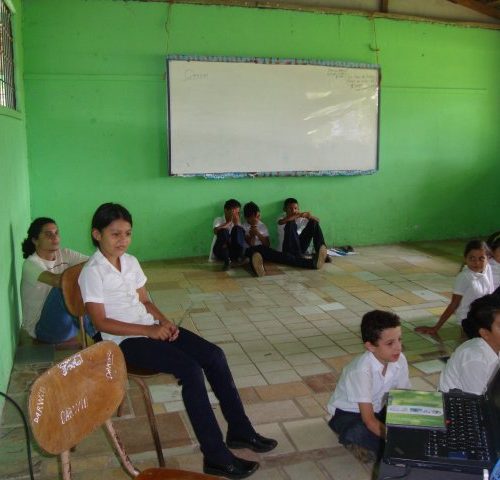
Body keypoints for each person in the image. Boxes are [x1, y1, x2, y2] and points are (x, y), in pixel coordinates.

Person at [79, 203, 277, 479]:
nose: (122, 240)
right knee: (190, 370)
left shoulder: (130, 261)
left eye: (127, 233)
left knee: (214, 355)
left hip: (149, 328)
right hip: (121, 343)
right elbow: (100, 323)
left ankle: (240, 430)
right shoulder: (92, 271)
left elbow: (145, 301)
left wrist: (164, 322)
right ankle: (215, 457)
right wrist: (148, 331)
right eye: (115, 234)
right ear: (96, 234)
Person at [327, 310, 411, 462]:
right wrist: (397, 439)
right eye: (390, 343)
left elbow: (403, 397)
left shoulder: (399, 359)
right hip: (349, 414)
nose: (398, 347)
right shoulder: (361, 370)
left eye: (399, 339)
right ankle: (352, 438)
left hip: (378, 408)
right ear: (370, 346)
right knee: (361, 432)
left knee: (412, 426)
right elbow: (369, 420)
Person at [20, 217, 95, 344]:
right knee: (63, 288)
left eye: (56, 233)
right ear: (35, 240)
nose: (54, 237)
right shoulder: (31, 264)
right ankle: (97, 334)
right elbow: (57, 282)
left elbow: (95, 264)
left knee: (93, 277)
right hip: (43, 330)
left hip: (71, 326)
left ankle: (105, 325)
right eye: (48, 234)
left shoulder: (65, 253)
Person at [415, 240, 494, 337]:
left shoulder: (487, 269)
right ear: (465, 259)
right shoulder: (464, 277)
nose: (476, 262)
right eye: (472, 258)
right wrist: (436, 327)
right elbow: (454, 304)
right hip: (468, 320)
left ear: (488, 258)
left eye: (481, 258)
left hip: (484, 317)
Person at [242, 201, 327, 277]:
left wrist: (309, 216)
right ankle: (258, 265)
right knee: (255, 252)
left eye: (258, 216)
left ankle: (321, 253)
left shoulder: (261, 225)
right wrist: (253, 233)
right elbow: (251, 244)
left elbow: (267, 244)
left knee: (314, 223)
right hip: (259, 250)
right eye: (255, 217)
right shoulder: (244, 227)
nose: (258, 219)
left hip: (292, 249)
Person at [439, 294, 500, 395]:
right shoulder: (476, 359)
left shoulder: (494, 345)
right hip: (458, 402)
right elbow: (476, 400)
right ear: (485, 333)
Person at [210, 199, 246, 271]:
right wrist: (229, 222)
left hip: (232, 250)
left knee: (237, 229)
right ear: (225, 210)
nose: (235, 215)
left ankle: (240, 257)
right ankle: (227, 261)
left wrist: (236, 224)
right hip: (220, 250)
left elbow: (240, 238)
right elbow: (216, 231)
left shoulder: (237, 221)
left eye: (237, 213)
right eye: (233, 212)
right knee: (223, 231)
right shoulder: (219, 219)